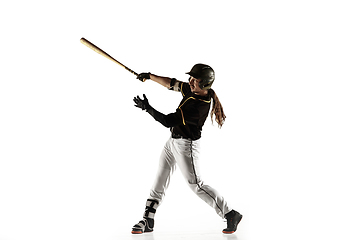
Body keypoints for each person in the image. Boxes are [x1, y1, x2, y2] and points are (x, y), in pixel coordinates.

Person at [131, 64, 242, 234]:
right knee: (160, 178)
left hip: (186, 146)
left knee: (197, 185)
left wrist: (148, 108)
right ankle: (148, 220)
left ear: (204, 84)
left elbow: (168, 121)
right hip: (172, 142)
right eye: (191, 78)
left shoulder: (199, 105)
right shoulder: (194, 90)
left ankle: (230, 213)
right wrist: (150, 76)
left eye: (194, 80)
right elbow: (171, 83)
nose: (190, 82)